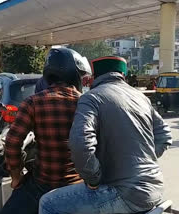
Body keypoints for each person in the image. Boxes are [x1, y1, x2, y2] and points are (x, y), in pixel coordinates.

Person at [39, 56, 172, 214]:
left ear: (94, 77)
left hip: (124, 193)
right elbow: (164, 136)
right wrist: (142, 159)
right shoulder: (141, 97)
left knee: (48, 203)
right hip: (155, 188)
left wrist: (93, 178)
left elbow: (80, 143)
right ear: (122, 75)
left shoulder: (92, 97)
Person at [0, 47, 92, 214]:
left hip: (41, 185)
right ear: (73, 74)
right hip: (79, 188)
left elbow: (12, 143)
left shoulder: (32, 102)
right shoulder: (87, 103)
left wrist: (16, 176)